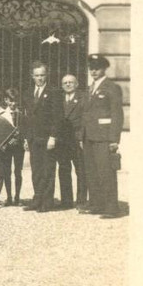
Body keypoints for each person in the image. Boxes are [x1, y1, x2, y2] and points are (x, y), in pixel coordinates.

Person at [79, 55, 124, 218]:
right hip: (89, 137)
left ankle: (112, 208)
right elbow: (86, 114)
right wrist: (82, 136)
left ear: (104, 69)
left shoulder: (112, 87)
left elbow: (117, 114)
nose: (93, 71)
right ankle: (97, 204)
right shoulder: (90, 88)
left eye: (97, 68)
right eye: (91, 68)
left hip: (104, 137)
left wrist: (114, 140)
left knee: (106, 172)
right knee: (92, 172)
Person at [24, 61, 63, 213]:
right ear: (32, 76)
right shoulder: (28, 92)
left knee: (48, 170)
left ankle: (47, 202)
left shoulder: (54, 92)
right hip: (33, 138)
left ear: (46, 75)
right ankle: (37, 199)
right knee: (36, 170)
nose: (39, 78)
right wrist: (26, 138)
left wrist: (53, 137)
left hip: (47, 138)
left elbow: (57, 117)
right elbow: (27, 117)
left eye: (42, 75)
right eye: (37, 75)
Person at [57, 73, 87, 210]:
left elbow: (86, 119)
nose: (68, 84)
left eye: (71, 82)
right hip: (63, 139)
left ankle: (81, 201)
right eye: (65, 83)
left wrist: (82, 137)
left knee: (81, 170)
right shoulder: (59, 98)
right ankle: (66, 201)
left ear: (77, 84)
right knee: (64, 169)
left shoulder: (83, 98)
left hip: (77, 138)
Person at [0, 89, 26, 208]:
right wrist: (7, 140)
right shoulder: (2, 114)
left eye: (15, 101)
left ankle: (17, 197)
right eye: (11, 101)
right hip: (6, 147)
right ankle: (9, 197)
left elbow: (24, 129)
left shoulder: (21, 114)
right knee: (7, 172)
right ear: (6, 100)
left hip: (19, 147)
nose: (13, 103)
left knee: (18, 172)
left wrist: (21, 139)